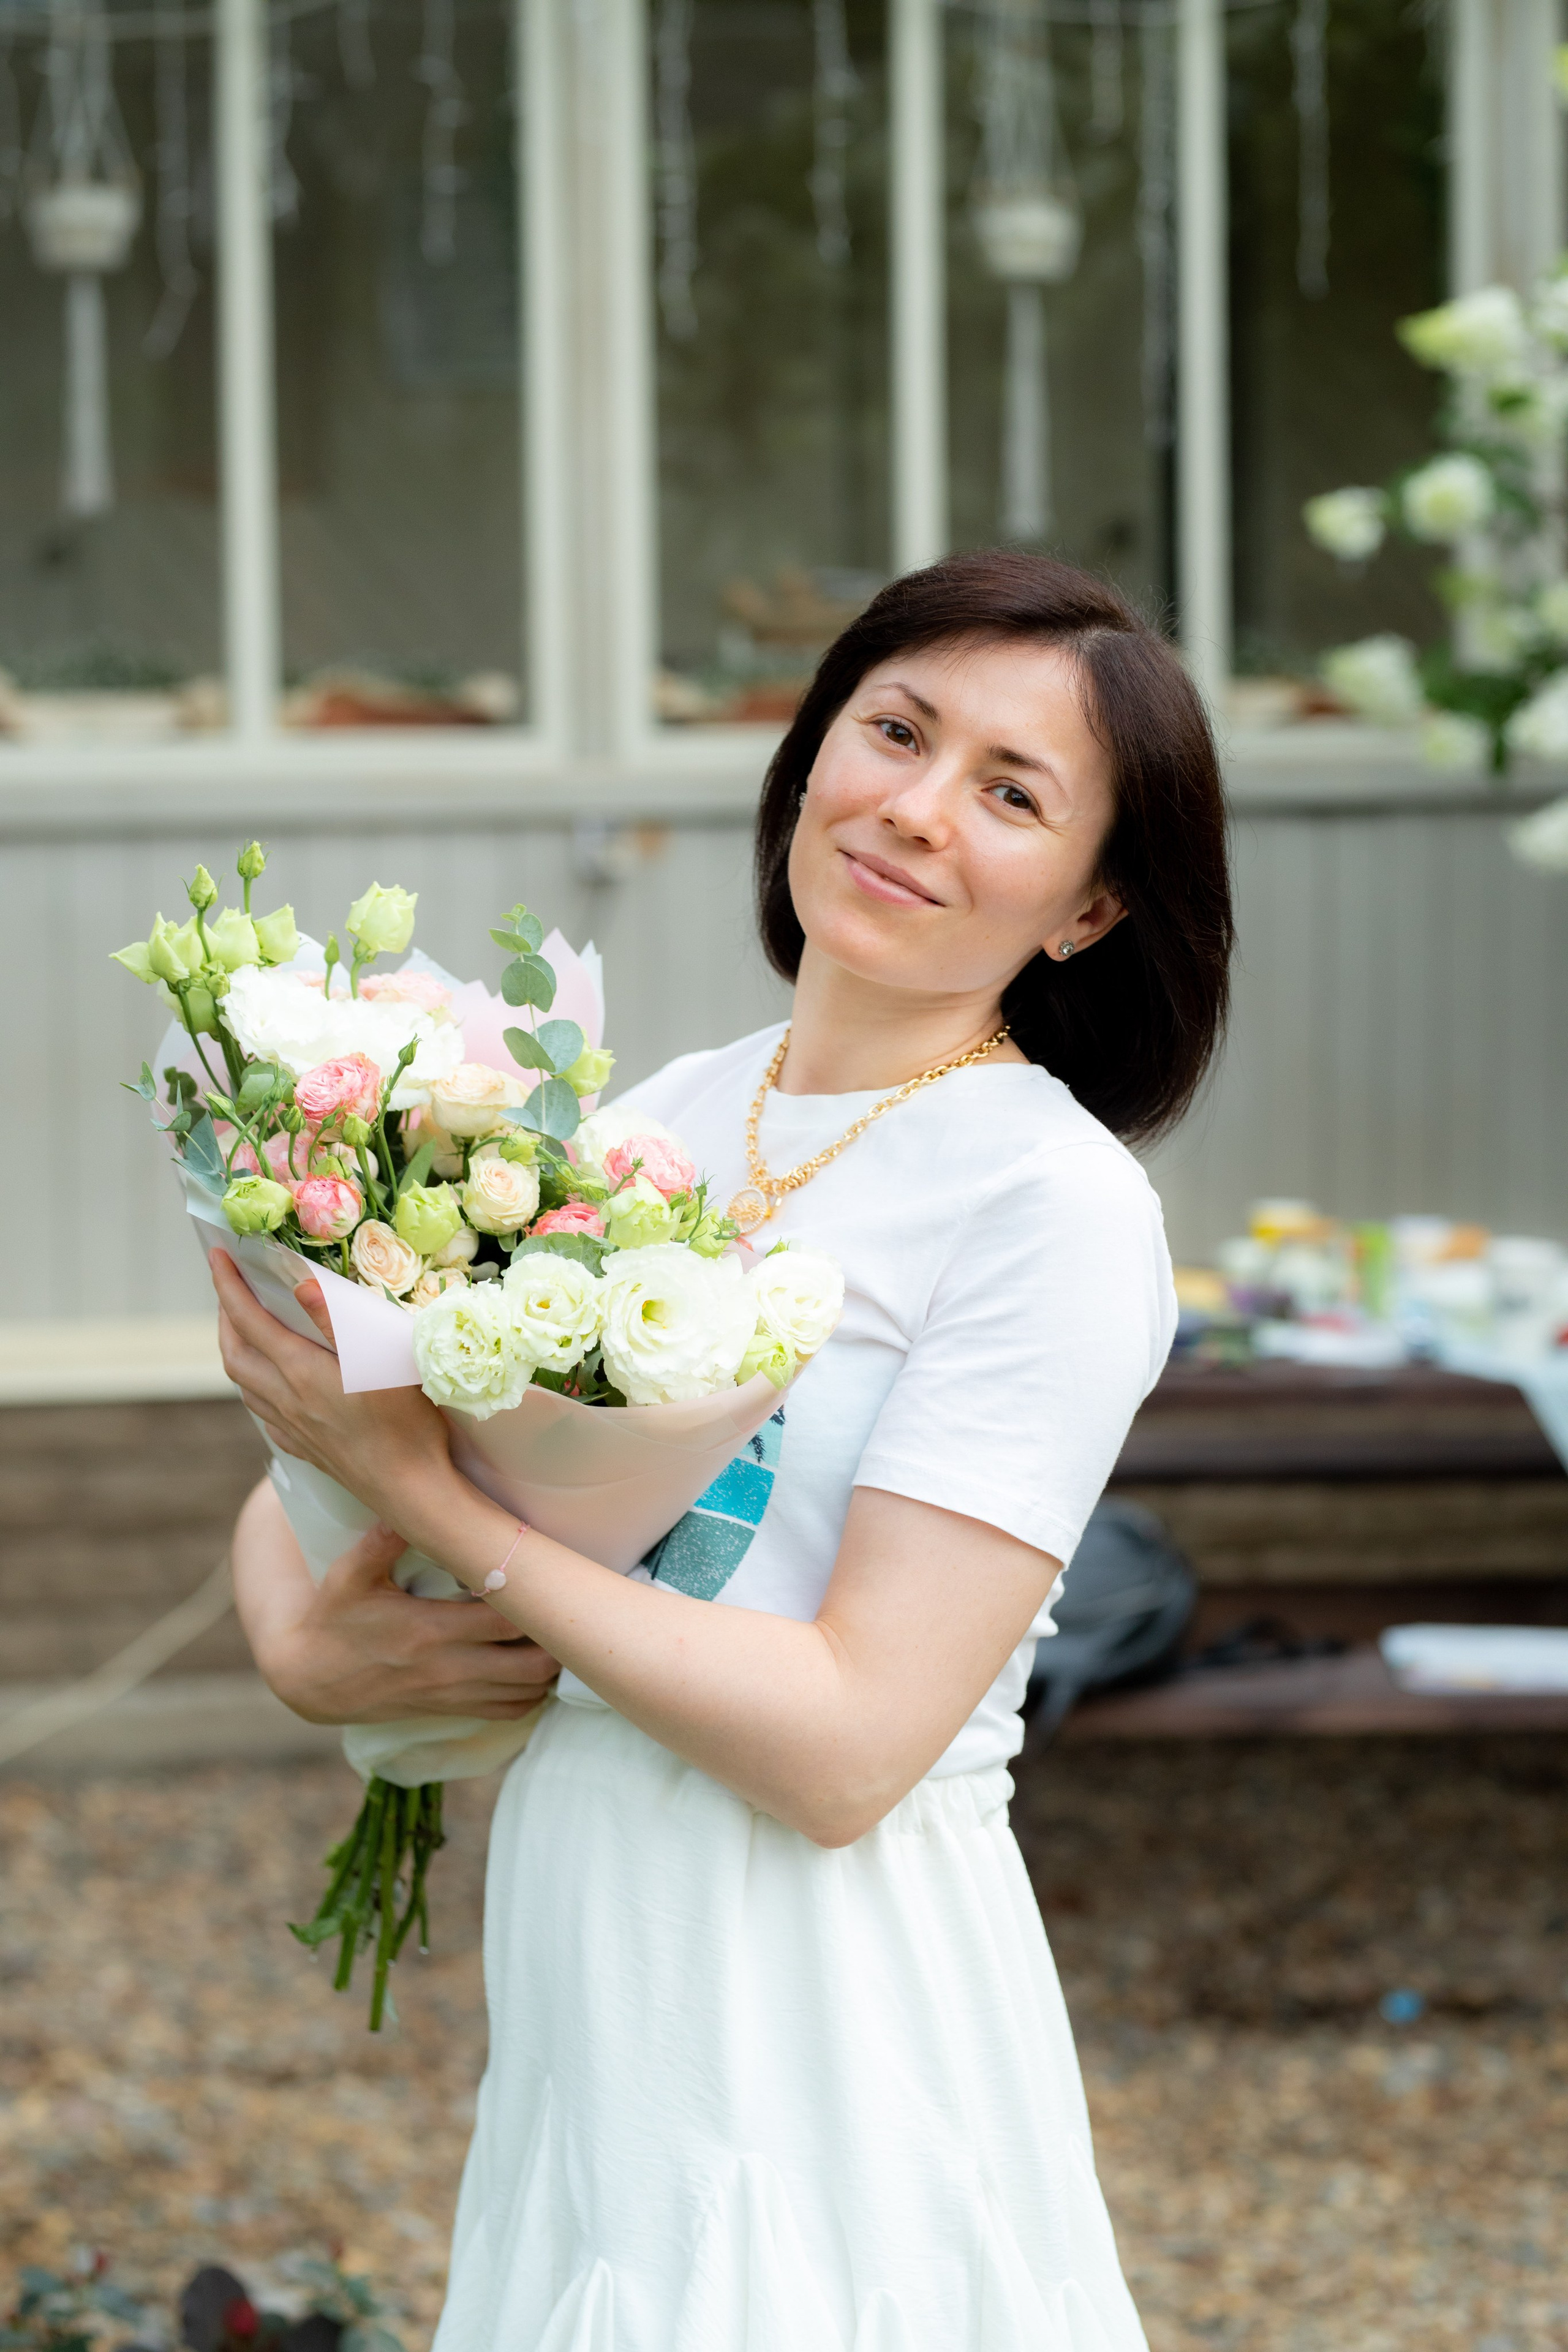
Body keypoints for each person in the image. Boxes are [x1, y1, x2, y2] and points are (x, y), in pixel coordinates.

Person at [218, 549, 1234, 2350]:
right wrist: (306, 1640)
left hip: (826, 1976)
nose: (919, 811)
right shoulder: (654, 1119)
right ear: (814, 746)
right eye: (896, 731)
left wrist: (426, 1502)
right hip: (593, 1940)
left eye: (1012, 794)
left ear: (1088, 909)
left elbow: (849, 1746)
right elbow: (330, 1467)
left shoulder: (1050, 1204)